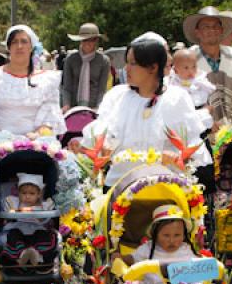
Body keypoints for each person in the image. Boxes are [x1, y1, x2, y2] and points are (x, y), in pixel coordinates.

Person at [83, 36, 210, 187]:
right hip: (120, 185)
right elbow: (102, 133)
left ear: (153, 68)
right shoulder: (117, 96)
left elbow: (191, 146)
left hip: (166, 186)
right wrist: (104, 145)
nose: (126, 69)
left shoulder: (176, 98)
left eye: (133, 63)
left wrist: (177, 157)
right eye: (127, 63)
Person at [0, 25, 66, 137]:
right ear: (8, 47)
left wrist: (34, 137)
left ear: (31, 47)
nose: (19, 46)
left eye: (24, 41)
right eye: (14, 42)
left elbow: (48, 119)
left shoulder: (46, 80)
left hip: (36, 144)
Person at [112, 204, 199, 284]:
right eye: (166, 235)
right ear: (155, 235)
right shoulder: (148, 248)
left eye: (177, 235)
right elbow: (132, 258)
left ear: (184, 235)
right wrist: (121, 257)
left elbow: (195, 269)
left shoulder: (185, 249)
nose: (171, 240)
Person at [0, 173, 57, 267]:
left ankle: (36, 254)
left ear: (38, 194)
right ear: (19, 193)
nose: (27, 196)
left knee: (44, 235)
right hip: (18, 228)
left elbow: (45, 219)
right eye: (24, 193)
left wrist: (40, 214)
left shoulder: (44, 205)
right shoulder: (13, 202)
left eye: (32, 193)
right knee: (13, 235)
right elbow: (8, 214)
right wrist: (11, 213)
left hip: (36, 229)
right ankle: (22, 254)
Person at [61, 23, 110, 111]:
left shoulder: (104, 61)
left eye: (92, 39)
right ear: (80, 40)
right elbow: (66, 87)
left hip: (94, 108)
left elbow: (102, 89)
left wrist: (99, 107)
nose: (88, 43)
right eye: (85, 40)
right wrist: (66, 105)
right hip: (73, 108)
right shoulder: (70, 59)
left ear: (96, 41)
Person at [168, 48, 215, 131]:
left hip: (200, 106)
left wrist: (199, 84)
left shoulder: (199, 78)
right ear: (176, 70)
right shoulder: (174, 80)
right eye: (186, 68)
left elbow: (210, 89)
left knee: (204, 132)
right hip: (184, 111)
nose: (191, 71)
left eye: (194, 66)